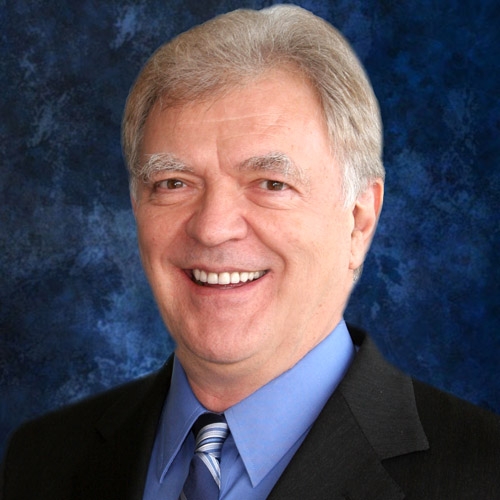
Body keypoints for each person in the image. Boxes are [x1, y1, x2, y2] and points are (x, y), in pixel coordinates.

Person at [2, 5, 499, 500]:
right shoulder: (41, 460)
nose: (213, 228)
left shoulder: (484, 475)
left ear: (358, 219)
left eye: (270, 183)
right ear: (137, 206)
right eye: (174, 183)